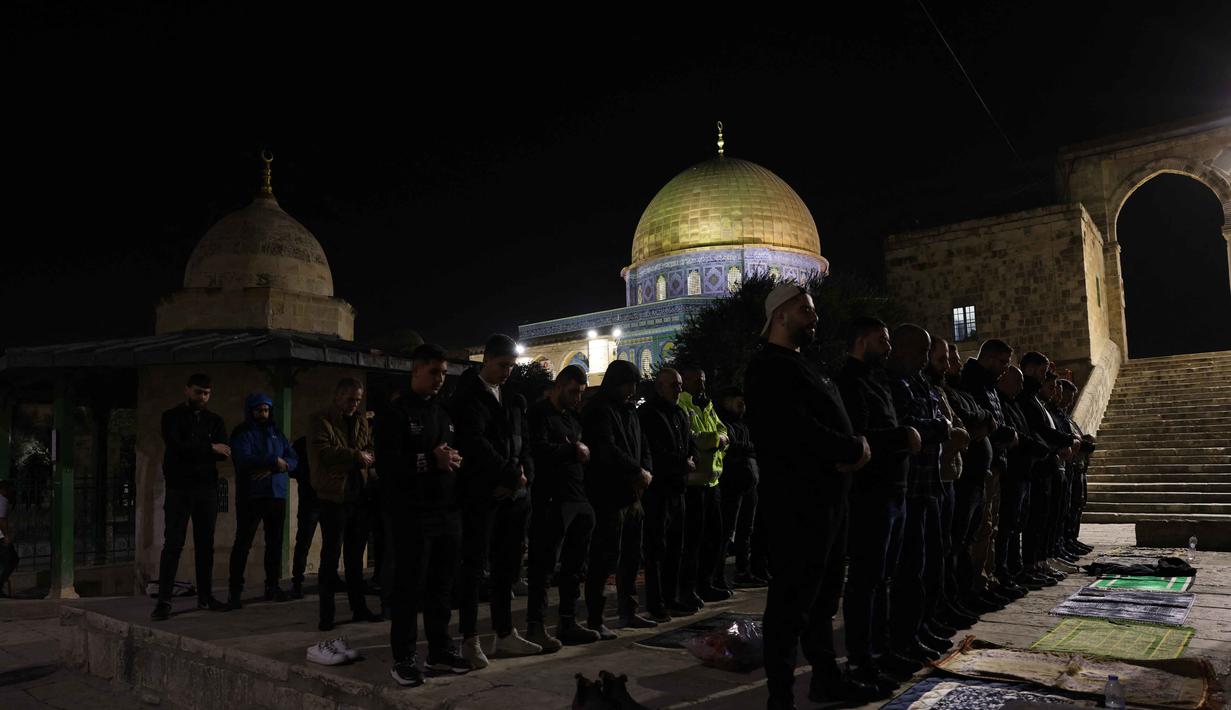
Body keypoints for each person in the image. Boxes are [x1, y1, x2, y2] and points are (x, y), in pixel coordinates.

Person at [744, 283, 872, 709]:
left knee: (822, 601)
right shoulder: (767, 368)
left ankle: (825, 679)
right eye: (805, 310)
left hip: (828, 501)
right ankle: (780, 698)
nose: (814, 317)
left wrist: (852, 448)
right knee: (791, 604)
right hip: (797, 506)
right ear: (780, 315)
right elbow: (794, 431)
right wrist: (851, 448)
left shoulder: (803, 365)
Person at [378, 344, 471, 686]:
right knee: (409, 588)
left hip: (446, 513)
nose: (440, 379)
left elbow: (450, 454)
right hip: (411, 515)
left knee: (441, 587)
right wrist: (430, 460)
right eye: (434, 372)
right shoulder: (396, 413)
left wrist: (453, 460)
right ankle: (403, 658)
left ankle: (439, 650)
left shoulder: (443, 414)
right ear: (415, 370)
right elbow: (388, 465)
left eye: (444, 373)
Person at [836, 317, 921, 682]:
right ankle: (861, 658)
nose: (888, 348)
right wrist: (903, 436)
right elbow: (861, 436)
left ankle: (883, 650)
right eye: (882, 340)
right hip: (871, 495)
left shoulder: (877, 379)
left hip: (894, 490)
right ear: (862, 341)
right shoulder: (850, 382)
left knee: (884, 578)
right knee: (865, 579)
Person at [450, 334, 539, 668]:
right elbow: (474, 444)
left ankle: (504, 633)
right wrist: (508, 476)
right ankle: (469, 638)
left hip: (513, 496)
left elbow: (523, 442)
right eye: (502, 365)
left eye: (512, 367)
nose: (507, 372)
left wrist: (523, 475)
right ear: (486, 360)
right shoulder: (467, 396)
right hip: (481, 496)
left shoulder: (513, 397)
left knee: (506, 567)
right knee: (474, 568)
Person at [886, 325, 954, 662]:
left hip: (930, 485)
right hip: (911, 487)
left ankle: (923, 625)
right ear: (901, 349)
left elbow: (937, 419)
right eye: (921, 351)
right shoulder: (896, 383)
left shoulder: (921, 382)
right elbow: (915, 424)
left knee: (930, 562)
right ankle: (904, 637)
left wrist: (937, 427)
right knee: (910, 569)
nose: (924, 359)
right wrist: (939, 428)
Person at [525, 365, 603, 646]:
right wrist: (572, 449)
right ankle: (536, 626)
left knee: (575, 566)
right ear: (559, 385)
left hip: (578, 497)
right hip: (552, 499)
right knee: (544, 566)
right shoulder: (539, 414)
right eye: (573, 392)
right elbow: (537, 450)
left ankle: (568, 621)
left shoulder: (572, 417)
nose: (577, 398)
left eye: (581, 393)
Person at [581, 359, 653, 641]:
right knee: (605, 557)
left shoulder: (630, 411)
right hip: (609, 495)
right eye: (628, 385)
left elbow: (642, 445)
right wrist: (636, 471)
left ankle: (629, 609)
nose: (632, 391)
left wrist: (645, 472)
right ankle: (595, 618)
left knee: (632, 555)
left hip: (633, 494)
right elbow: (606, 449)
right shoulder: (599, 410)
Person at [153, 373, 230, 621]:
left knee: (205, 545)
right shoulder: (171, 417)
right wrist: (208, 448)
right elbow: (177, 446)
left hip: (206, 489)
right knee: (173, 544)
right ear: (187, 390)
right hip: (179, 488)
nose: (202, 397)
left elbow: (224, 452)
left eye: (206, 393)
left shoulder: (214, 420)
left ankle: (205, 597)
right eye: (198, 392)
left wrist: (199, 449)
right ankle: (164, 601)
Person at [310, 377, 382, 631]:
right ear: (338, 396)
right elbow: (324, 453)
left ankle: (358, 607)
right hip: (334, 498)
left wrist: (364, 456)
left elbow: (370, 448)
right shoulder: (321, 420)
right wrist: (356, 456)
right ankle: (326, 614)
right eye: (351, 399)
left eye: (358, 400)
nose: (354, 404)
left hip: (359, 497)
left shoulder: (361, 421)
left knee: (355, 558)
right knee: (330, 557)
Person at [956, 340, 1018, 614]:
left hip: (995, 462)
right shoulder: (972, 381)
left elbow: (994, 419)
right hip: (979, 467)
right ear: (990, 358)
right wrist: (1005, 434)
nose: (1005, 369)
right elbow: (983, 421)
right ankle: (975, 585)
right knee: (980, 528)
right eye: (1003, 362)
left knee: (989, 527)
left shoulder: (989, 384)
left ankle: (987, 579)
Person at [227, 392, 298, 608]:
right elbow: (243, 459)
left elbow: (293, 459)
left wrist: (275, 467)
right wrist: (274, 461)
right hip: (251, 495)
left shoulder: (276, 432)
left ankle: (272, 586)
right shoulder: (242, 432)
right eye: (259, 410)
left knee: (274, 543)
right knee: (243, 543)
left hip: (276, 495)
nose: (263, 414)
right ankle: (235, 591)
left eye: (266, 410)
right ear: (251, 411)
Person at [638, 368, 696, 622]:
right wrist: (682, 463)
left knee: (675, 547)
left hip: (677, 489)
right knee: (656, 549)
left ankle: (671, 598)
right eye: (674, 385)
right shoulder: (649, 414)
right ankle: (656, 602)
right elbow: (654, 452)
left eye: (680, 385)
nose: (679, 389)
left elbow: (688, 442)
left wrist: (691, 458)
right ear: (660, 387)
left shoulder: (679, 413)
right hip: (658, 491)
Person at [677, 365, 730, 606]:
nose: (701, 385)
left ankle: (706, 584)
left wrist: (717, 440)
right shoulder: (683, 405)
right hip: (694, 484)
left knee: (713, 537)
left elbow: (723, 431)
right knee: (693, 541)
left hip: (712, 482)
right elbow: (693, 438)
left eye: (703, 380)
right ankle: (689, 589)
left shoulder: (706, 405)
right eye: (696, 381)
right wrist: (716, 440)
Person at [714, 386, 764, 588]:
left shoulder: (743, 424)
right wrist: (748, 447)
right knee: (727, 530)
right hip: (732, 484)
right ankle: (717, 574)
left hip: (749, 483)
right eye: (737, 400)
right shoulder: (723, 423)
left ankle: (743, 571)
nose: (742, 405)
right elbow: (733, 447)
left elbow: (747, 447)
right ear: (726, 401)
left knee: (746, 529)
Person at [289, 436, 316, 599]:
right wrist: (308, 477)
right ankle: (297, 582)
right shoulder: (302, 444)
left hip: (325, 497)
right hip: (310, 498)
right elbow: (292, 469)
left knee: (331, 543)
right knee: (304, 542)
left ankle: (298, 582)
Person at [0, 480, 17, 596]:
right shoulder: (2, 500)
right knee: (11, 559)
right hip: (0, 536)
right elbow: (1, 519)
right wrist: (6, 535)